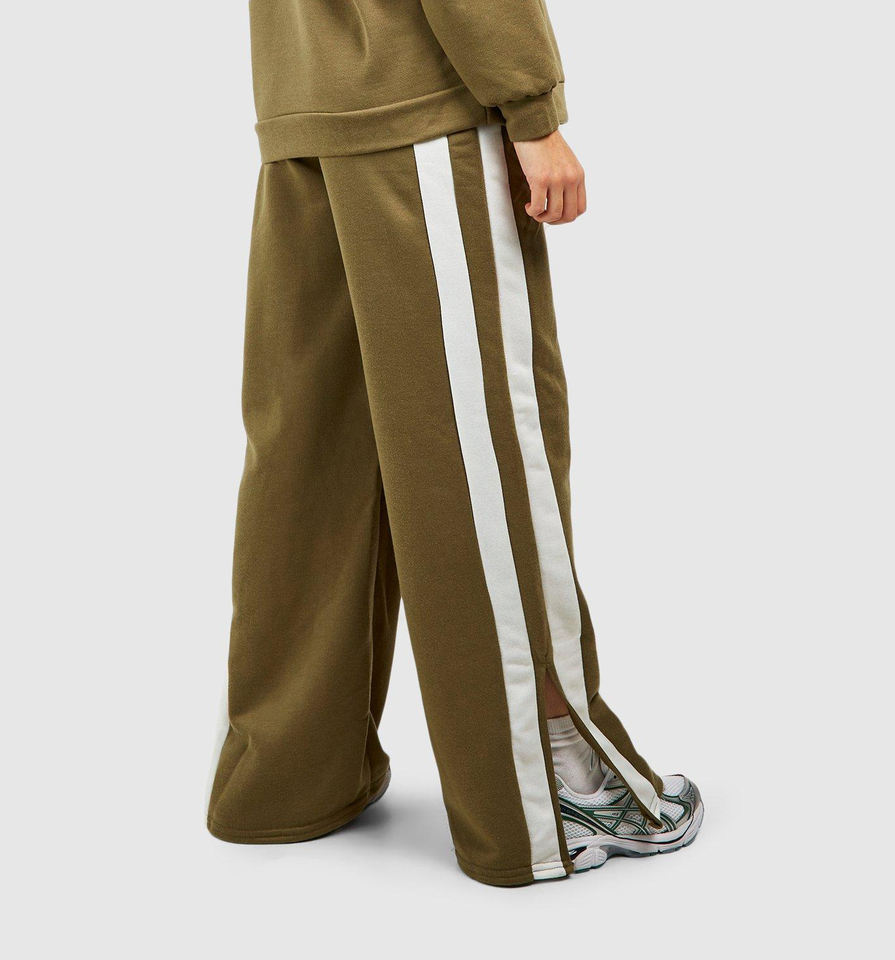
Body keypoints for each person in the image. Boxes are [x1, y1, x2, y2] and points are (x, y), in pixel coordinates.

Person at [208, 0, 703, 886]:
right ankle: (558, 786)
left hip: (300, 104)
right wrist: (531, 109)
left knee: (311, 465)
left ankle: (287, 777)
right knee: (477, 455)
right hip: (419, 104)